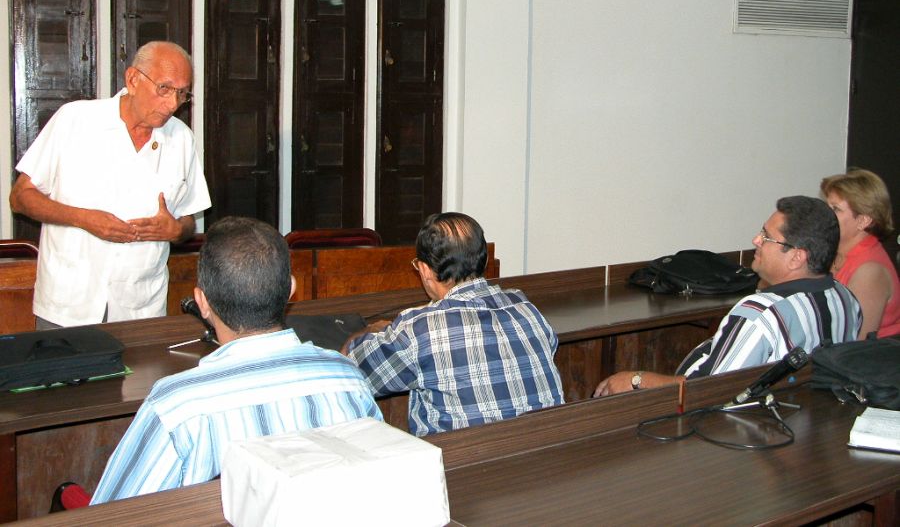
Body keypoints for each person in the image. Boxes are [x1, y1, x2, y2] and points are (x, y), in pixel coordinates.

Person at [90, 216, 382, 504]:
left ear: (202, 303)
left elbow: (108, 514)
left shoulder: (175, 407)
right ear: (291, 289)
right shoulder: (348, 379)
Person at [9, 41, 211, 328]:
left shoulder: (182, 140)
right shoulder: (76, 120)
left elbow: (189, 221)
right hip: (68, 305)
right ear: (133, 79)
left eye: (182, 93)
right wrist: (83, 219)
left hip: (141, 307)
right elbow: (20, 197)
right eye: (164, 89)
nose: (172, 104)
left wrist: (176, 230)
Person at [594, 196, 862, 397]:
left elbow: (707, 393)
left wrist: (636, 380)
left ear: (796, 257)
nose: (756, 240)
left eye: (767, 238)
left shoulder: (762, 313)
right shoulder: (846, 299)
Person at [342, 212, 564, 436]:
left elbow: (349, 372)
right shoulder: (525, 307)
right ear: (484, 260)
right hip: (545, 453)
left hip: (463, 464)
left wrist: (369, 330)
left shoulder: (420, 329)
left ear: (426, 270)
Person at [821, 169, 900, 338]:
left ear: (863, 221)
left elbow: (855, 341)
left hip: (874, 360)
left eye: (835, 209)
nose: (824, 215)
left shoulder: (870, 271)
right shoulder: (830, 250)